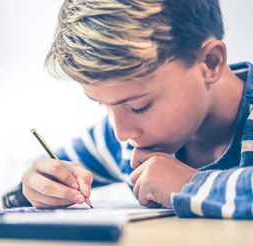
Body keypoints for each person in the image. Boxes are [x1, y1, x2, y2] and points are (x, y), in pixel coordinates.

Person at [15, 0, 253, 219]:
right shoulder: (118, 140)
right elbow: (49, 170)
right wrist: (43, 184)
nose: (121, 133)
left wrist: (191, 185)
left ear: (210, 62)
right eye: (105, 107)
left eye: (140, 106)